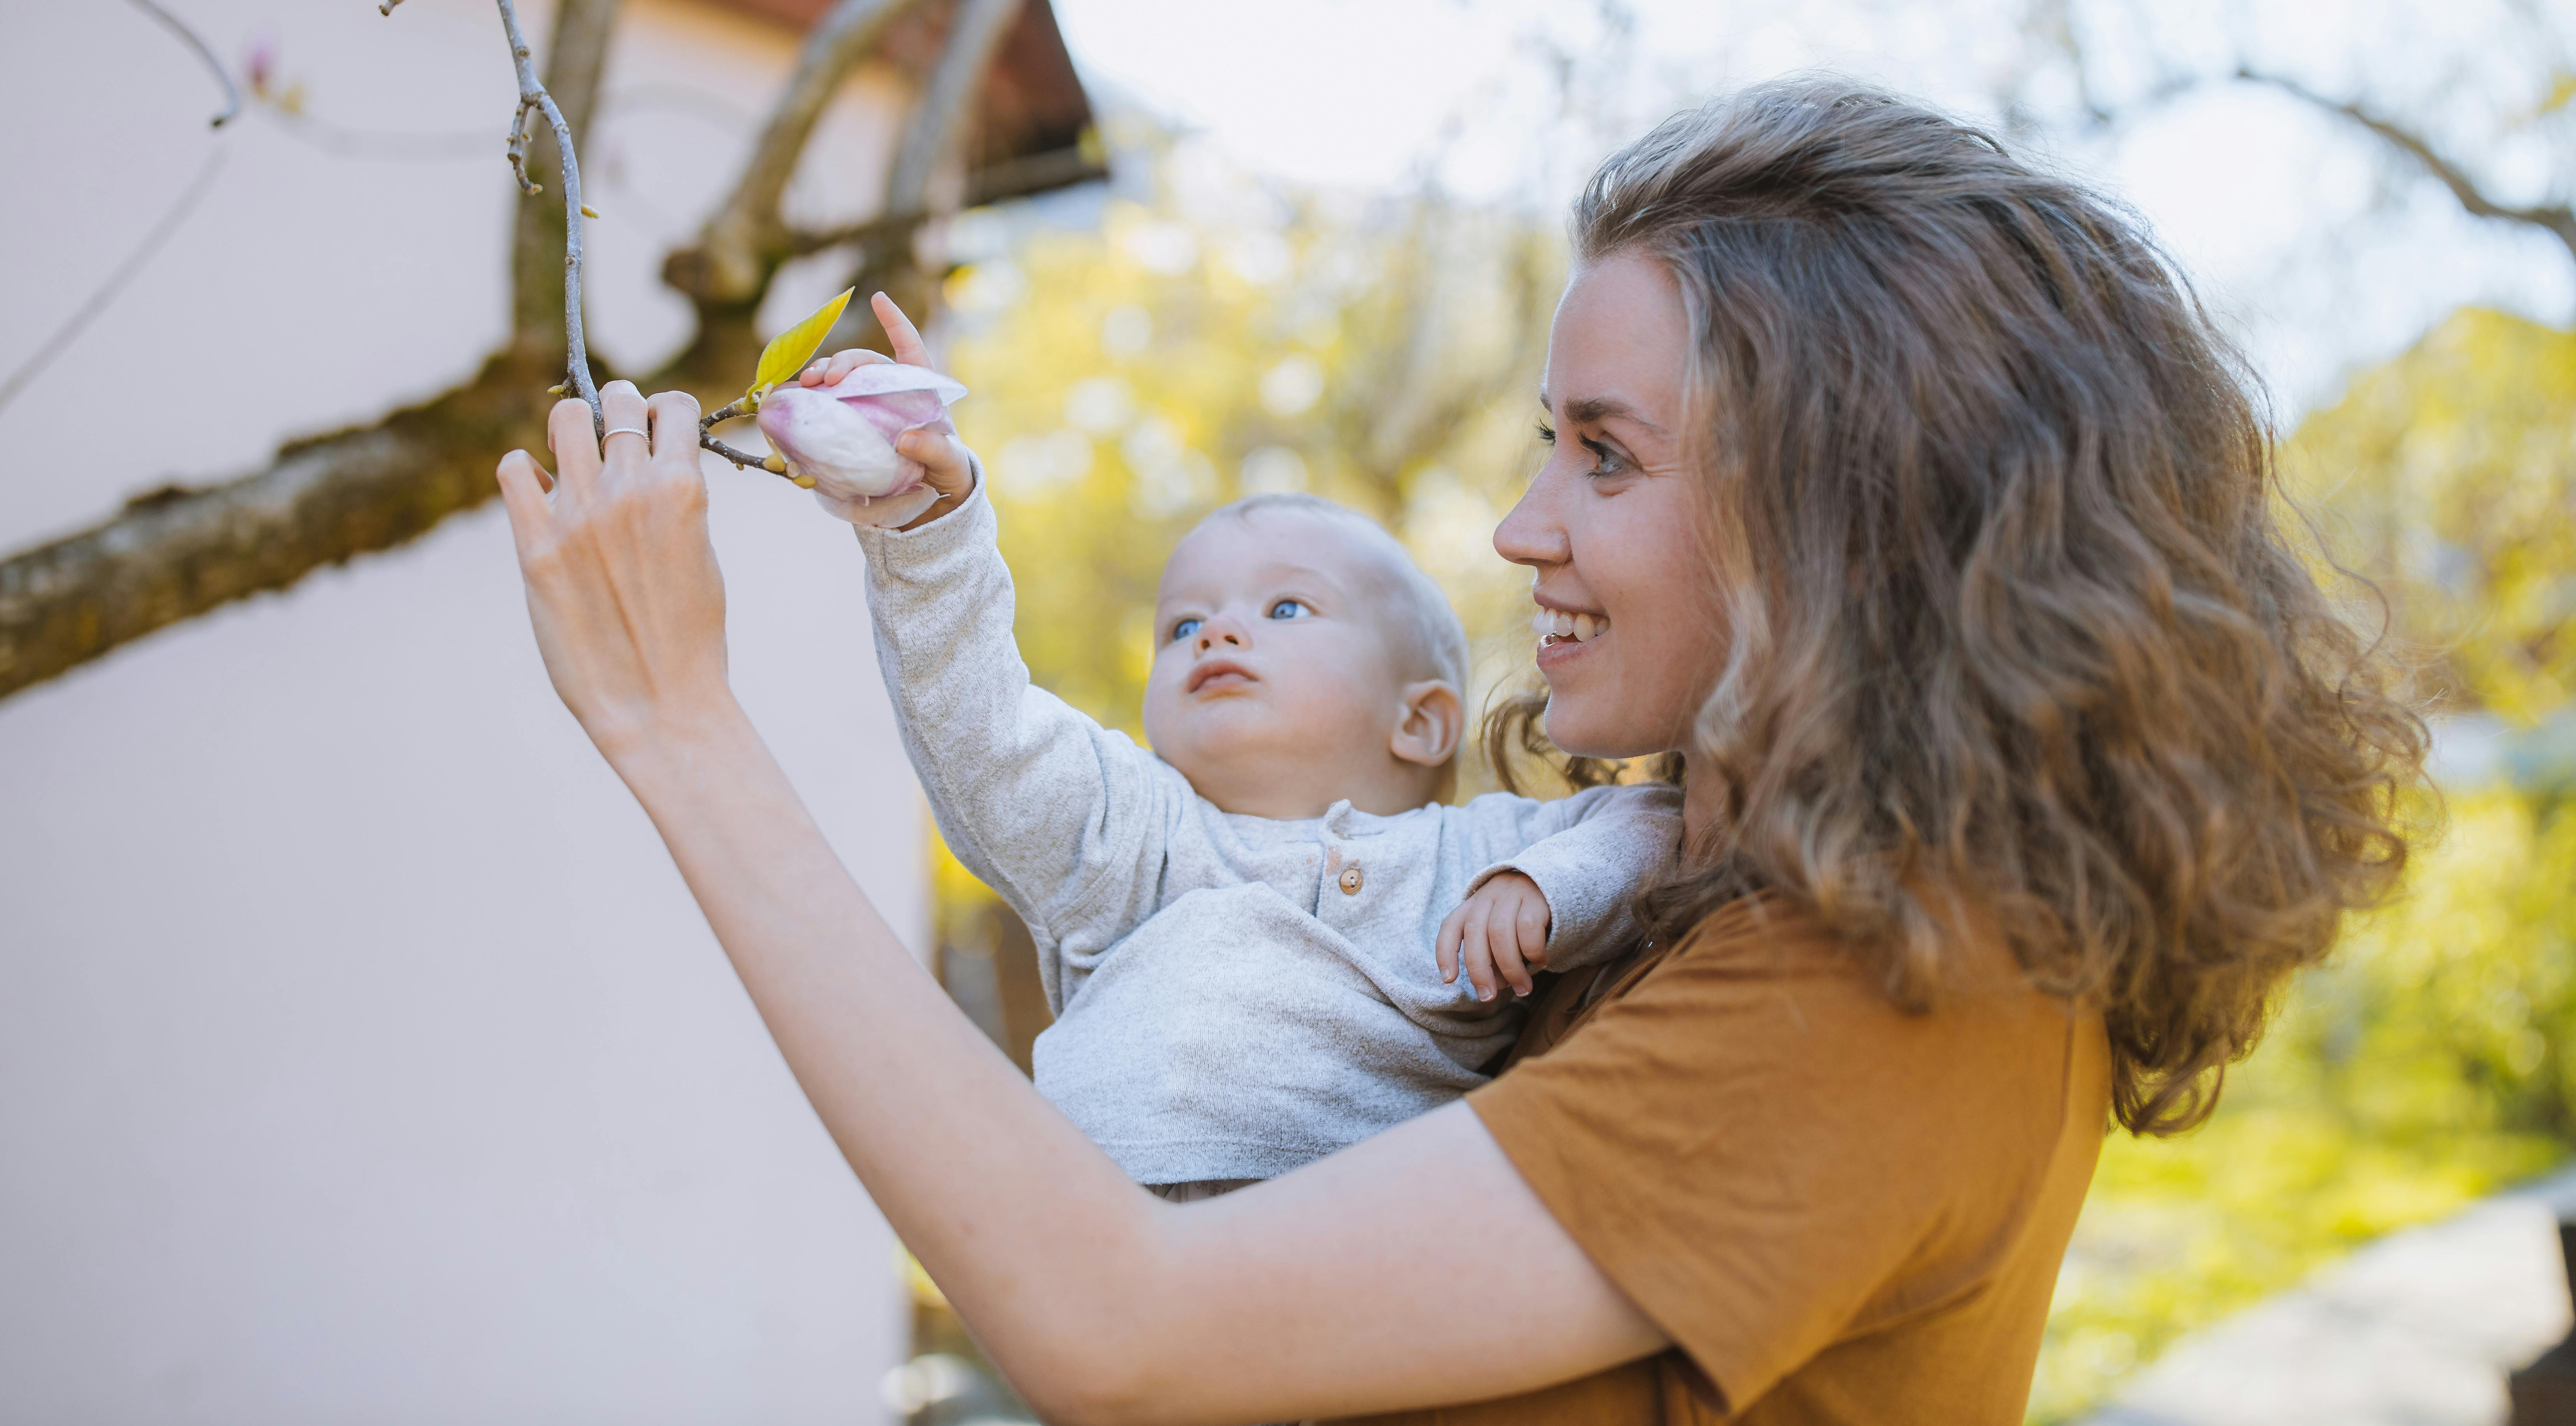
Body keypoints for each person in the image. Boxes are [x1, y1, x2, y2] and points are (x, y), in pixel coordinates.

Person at [499, 78, 2424, 1424]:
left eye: (1605, 453)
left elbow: (1116, 1324)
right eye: (1541, 444)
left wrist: (678, 724)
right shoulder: (1699, 895)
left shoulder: (1894, 987)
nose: (1519, 530)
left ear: (1847, 513)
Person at [793, 297, 1681, 1202]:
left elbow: (1660, 817)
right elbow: (982, 732)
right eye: (1182, 623)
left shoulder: (1477, 858)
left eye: (1285, 608)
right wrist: (926, 524)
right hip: (1099, 1244)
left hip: (1347, 1261)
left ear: (1419, 722)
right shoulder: (1132, 841)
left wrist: (1549, 887)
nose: (1217, 630)